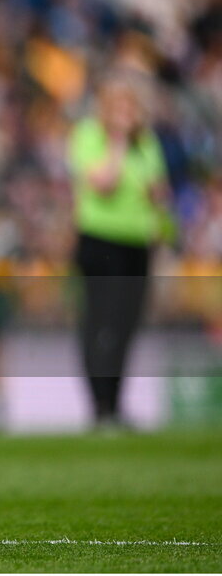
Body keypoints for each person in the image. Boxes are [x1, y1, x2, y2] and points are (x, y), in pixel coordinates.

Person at [68, 72, 170, 429]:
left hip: (137, 244)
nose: (127, 112)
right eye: (120, 105)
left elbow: (159, 190)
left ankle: (116, 403)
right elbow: (103, 183)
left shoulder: (147, 142)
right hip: (100, 242)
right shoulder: (89, 135)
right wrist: (118, 142)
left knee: (127, 325)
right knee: (100, 324)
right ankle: (100, 407)